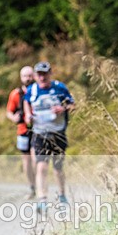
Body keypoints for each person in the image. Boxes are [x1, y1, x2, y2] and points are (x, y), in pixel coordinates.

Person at [22, 61, 75, 211]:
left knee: (58, 168)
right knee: (41, 167)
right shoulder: (31, 90)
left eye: (44, 74)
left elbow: (72, 104)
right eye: (39, 74)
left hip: (58, 133)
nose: (42, 77)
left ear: (50, 73)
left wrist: (62, 108)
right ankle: (42, 199)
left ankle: (62, 195)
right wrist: (27, 115)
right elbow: (26, 102)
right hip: (39, 133)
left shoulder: (59, 87)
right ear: (35, 76)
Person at [6, 65, 36, 199]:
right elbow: (9, 112)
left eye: (30, 75)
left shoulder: (38, 91)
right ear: (21, 77)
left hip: (37, 130)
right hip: (22, 130)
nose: (28, 78)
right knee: (27, 162)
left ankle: (39, 185)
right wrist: (14, 118)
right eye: (25, 76)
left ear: (34, 76)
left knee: (36, 159)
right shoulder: (15, 94)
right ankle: (32, 187)